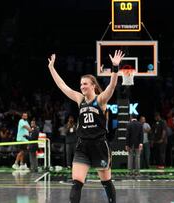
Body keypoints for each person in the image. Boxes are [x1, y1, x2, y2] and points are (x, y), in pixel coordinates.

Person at [47, 49, 124, 203]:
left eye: (85, 84)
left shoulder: (101, 100)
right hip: (83, 146)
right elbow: (63, 86)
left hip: (99, 145)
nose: (82, 86)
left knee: (106, 182)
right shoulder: (79, 99)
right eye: (81, 84)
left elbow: (112, 86)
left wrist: (115, 68)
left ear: (93, 86)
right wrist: (51, 68)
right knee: (77, 182)